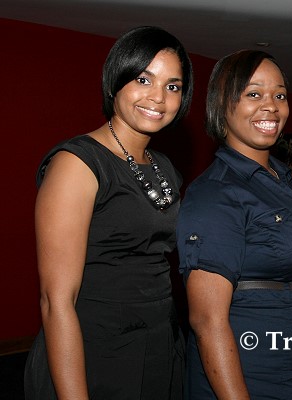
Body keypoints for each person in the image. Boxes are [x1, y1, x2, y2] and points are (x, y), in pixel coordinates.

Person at [24, 26, 194, 399]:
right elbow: (56, 302)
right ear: (115, 81)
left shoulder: (164, 167)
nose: (158, 97)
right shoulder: (78, 163)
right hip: (95, 353)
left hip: (158, 346)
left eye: (173, 86)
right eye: (143, 79)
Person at [177, 50, 292, 399]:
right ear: (222, 103)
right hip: (255, 377)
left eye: (280, 95)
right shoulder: (215, 193)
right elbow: (207, 322)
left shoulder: (290, 182)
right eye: (254, 94)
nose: (271, 106)